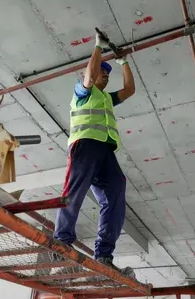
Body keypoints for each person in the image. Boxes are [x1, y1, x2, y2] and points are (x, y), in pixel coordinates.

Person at [52, 31, 136, 276]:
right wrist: (98, 47)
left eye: (108, 75)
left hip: (106, 151)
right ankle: (62, 242)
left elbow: (129, 90)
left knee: (116, 189)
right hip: (85, 146)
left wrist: (124, 61)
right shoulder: (83, 92)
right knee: (74, 191)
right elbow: (89, 75)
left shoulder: (108, 99)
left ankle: (104, 254)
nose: (106, 77)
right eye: (103, 72)